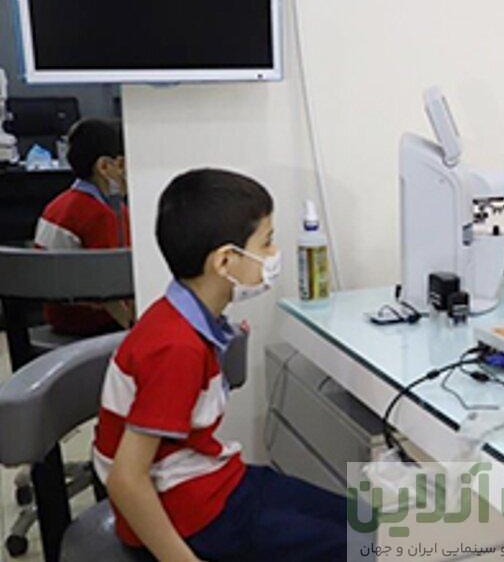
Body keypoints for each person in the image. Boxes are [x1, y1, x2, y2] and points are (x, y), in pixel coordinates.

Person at [92, 168, 348, 561]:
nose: (273, 254)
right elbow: (126, 480)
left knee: (365, 523)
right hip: (196, 516)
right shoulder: (176, 348)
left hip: (214, 481)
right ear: (226, 260)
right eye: (267, 242)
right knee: (367, 544)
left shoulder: (183, 319)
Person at [34, 118, 133, 333]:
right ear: (104, 166)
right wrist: (135, 327)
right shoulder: (102, 215)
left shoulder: (57, 205)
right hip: (92, 321)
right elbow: (111, 290)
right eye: (123, 164)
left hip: (58, 316)